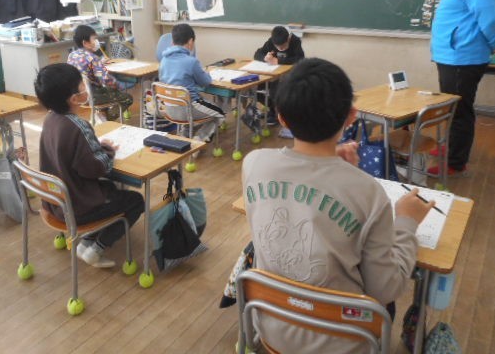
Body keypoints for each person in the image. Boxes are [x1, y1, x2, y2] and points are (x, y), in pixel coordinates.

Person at [243, 58, 433, 354]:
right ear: (351, 117)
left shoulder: (254, 163)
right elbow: (385, 288)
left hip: (270, 323)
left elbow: (299, 179)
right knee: (385, 302)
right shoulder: (369, 192)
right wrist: (407, 221)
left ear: (281, 118)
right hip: (340, 340)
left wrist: (330, 160)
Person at [34, 63, 144, 268]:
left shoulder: (50, 119)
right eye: (81, 85)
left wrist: (94, 146)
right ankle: (96, 249)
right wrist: (108, 150)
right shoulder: (79, 126)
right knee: (136, 201)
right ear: (74, 98)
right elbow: (98, 168)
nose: (85, 87)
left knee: (112, 190)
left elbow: (72, 154)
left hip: (56, 203)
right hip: (78, 206)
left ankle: (86, 241)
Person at [431, 0, 495, 176]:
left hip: (463, 56)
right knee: (451, 107)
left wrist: (494, 44)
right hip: (452, 55)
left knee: (460, 110)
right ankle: (449, 146)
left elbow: (488, 16)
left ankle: (455, 162)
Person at [158, 23, 224, 142]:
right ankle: (199, 139)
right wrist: (207, 74)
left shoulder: (164, 60)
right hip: (188, 109)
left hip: (168, 108)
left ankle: (185, 136)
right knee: (219, 113)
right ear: (190, 42)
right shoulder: (191, 62)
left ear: (172, 42)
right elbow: (205, 82)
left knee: (197, 101)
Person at [67, 24, 133, 120]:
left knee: (108, 92)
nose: (97, 42)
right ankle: (103, 119)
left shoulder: (72, 55)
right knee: (127, 98)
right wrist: (117, 85)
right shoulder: (93, 58)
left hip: (78, 95)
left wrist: (99, 63)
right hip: (93, 96)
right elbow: (106, 80)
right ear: (85, 43)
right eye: (94, 39)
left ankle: (101, 114)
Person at [253, 25, 305, 125]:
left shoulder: (295, 41)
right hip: (273, 74)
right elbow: (257, 54)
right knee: (258, 89)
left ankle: (279, 114)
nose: (280, 48)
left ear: (288, 39)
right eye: (278, 47)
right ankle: (273, 110)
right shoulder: (271, 42)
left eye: (283, 46)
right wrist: (265, 58)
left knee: (275, 89)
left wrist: (279, 61)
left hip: (289, 76)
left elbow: (300, 59)